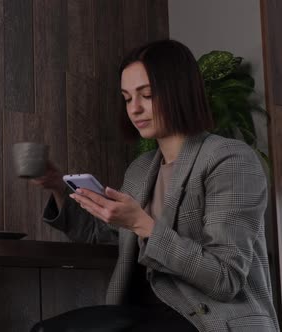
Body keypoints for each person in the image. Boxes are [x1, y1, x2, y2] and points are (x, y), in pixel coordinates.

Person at [30, 39, 279, 331]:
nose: (134, 109)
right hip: (145, 313)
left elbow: (225, 277)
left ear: (179, 91)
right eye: (127, 98)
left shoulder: (230, 159)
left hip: (208, 318)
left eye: (146, 94)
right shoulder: (140, 170)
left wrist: (144, 225)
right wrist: (60, 188)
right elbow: (109, 236)